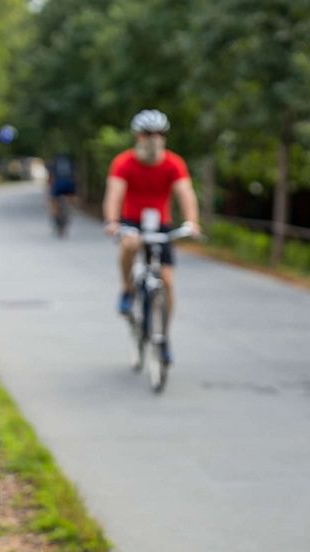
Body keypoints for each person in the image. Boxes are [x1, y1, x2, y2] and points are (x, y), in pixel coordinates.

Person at [102, 109, 201, 363]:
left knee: (167, 281)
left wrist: (191, 222)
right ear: (138, 136)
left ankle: (163, 337)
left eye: (159, 133)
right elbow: (114, 194)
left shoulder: (173, 163)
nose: (154, 138)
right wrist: (113, 222)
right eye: (148, 133)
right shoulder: (124, 162)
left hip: (162, 224)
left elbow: (185, 193)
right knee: (130, 244)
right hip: (132, 221)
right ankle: (126, 289)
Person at [47, 153, 76, 233]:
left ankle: (54, 214)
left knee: (53, 201)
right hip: (69, 184)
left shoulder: (54, 163)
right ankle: (71, 210)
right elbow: (74, 175)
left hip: (58, 183)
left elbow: (50, 177)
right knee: (71, 198)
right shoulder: (70, 162)